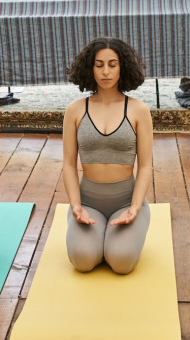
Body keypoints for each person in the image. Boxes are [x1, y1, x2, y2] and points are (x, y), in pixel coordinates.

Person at [62, 37, 153, 274]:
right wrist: (75, 206)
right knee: (82, 261)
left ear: (122, 67)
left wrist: (134, 207)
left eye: (112, 64)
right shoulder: (75, 110)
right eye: (99, 64)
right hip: (88, 202)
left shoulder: (138, 110)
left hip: (126, 201)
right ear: (89, 68)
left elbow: (145, 166)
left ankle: (119, 235)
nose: (105, 71)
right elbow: (69, 165)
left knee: (122, 262)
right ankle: (96, 237)